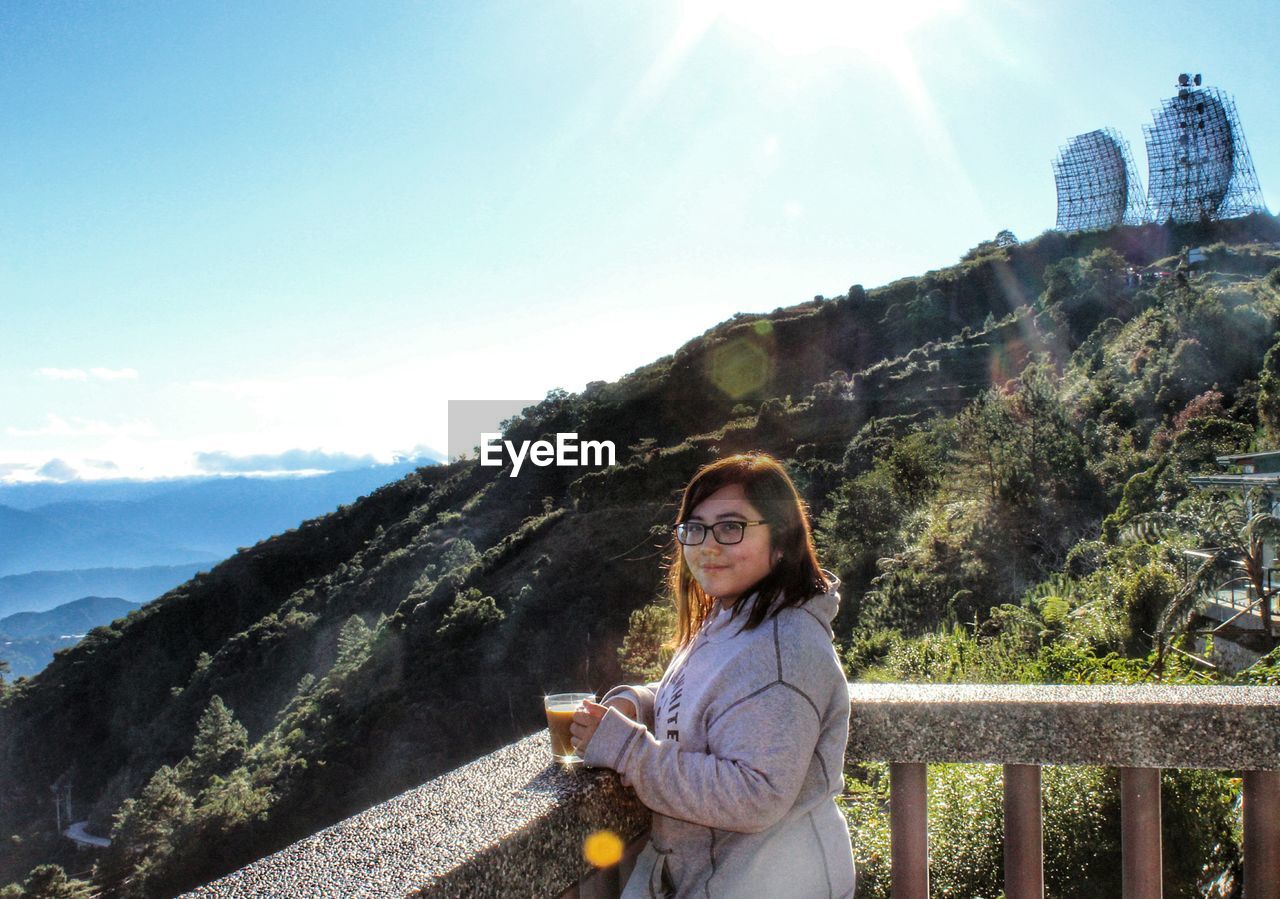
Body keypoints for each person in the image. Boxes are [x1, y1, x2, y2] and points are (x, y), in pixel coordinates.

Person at [571, 452, 856, 898]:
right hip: (716, 876)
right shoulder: (733, 619)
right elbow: (713, 702)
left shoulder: (784, 649)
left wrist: (628, 750)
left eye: (730, 527)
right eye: (695, 528)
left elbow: (756, 793)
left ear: (781, 540)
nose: (707, 546)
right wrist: (638, 703)